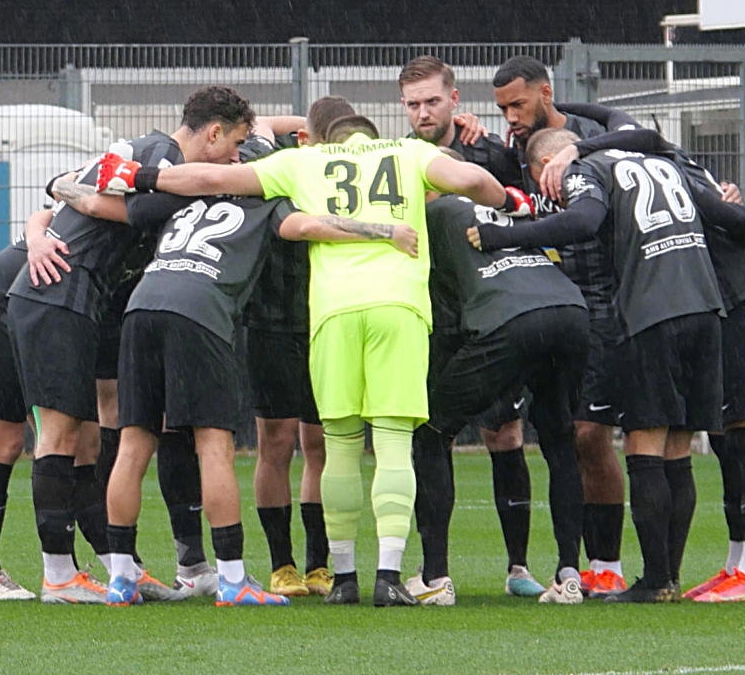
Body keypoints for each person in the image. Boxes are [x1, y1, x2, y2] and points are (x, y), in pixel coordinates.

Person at [93, 109, 507, 606]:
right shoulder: (401, 152)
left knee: (333, 445)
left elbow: (202, 178)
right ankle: (370, 576)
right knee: (382, 443)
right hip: (376, 305)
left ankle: (340, 577)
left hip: (269, 309)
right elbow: (471, 182)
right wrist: (490, 202)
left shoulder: (289, 164)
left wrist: (136, 175)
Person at [472, 127, 736, 603]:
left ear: (550, 165)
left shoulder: (581, 170)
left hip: (652, 310)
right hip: (705, 305)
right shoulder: (655, 161)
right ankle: (668, 577)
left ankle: (654, 580)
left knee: (644, 444)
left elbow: (584, 219)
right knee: (677, 448)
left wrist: (501, 235)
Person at [539, 109, 745, 604]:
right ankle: (736, 565)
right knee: (723, 436)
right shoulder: (659, 166)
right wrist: (562, 109)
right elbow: (618, 120)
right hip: (712, 305)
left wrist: (573, 146)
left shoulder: (669, 169)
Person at [5, 88, 242, 604]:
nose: (236, 158)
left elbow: (66, 189)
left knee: (83, 436)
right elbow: (129, 206)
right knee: (59, 436)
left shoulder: (145, 149)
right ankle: (58, 576)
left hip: (72, 299)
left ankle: (118, 568)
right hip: (56, 295)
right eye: (235, 144)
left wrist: (65, 190)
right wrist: (79, 198)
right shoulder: (165, 162)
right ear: (213, 132)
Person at [399, 54, 545, 596]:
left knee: (504, 434)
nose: (423, 113)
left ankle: (519, 569)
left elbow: (526, 209)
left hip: (489, 315)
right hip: (431, 317)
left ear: (454, 100)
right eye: (412, 104)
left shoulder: (491, 153)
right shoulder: (398, 158)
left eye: (432, 101)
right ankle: (435, 570)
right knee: (430, 435)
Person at [491, 55, 635, 598]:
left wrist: (575, 142)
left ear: (545, 94)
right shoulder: (509, 152)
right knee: (559, 436)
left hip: (601, 303)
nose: (511, 116)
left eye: (519, 104)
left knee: (591, 435)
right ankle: (567, 567)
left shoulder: (590, 143)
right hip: (547, 311)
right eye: (503, 108)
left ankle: (607, 563)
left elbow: (636, 134)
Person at [408, 189, 590, 606]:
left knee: (432, 430)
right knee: (560, 440)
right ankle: (568, 574)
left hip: (508, 318)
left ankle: (434, 576)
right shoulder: (502, 202)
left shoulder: (432, 212)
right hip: (570, 310)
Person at [244, 96, 355, 598]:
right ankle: (281, 564)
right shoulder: (277, 162)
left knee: (321, 444)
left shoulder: (359, 171)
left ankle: (318, 564)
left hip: (328, 318)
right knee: (275, 442)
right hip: (269, 319)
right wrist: (310, 125)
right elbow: (258, 122)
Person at [0, 207, 65, 601]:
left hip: (31, 311)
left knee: (64, 436)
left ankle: (73, 569)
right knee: (5, 440)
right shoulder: (120, 191)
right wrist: (36, 238)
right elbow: (53, 197)